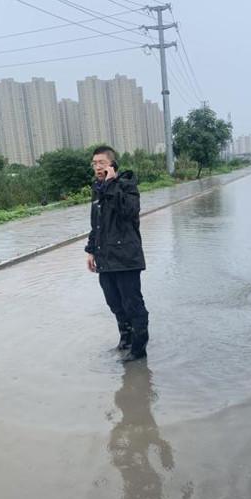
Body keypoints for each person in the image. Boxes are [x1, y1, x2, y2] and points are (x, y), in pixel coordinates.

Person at [85, 145, 149, 361]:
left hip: (126, 258)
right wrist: (91, 251)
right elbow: (97, 225)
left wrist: (112, 184)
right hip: (105, 258)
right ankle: (126, 339)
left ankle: (139, 350)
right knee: (114, 302)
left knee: (133, 304)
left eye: (101, 163)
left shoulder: (126, 185)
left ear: (112, 165)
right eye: (94, 163)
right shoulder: (98, 189)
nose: (97, 167)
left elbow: (128, 211)